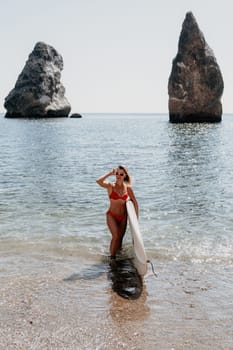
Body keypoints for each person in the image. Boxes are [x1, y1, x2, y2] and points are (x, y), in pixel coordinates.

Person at [96, 165, 139, 260]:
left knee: (120, 239)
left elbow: (135, 203)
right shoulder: (111, 186)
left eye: (121, 174)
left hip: (123, 217)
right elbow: (98, 181)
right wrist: (109, 173)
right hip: (111, 215)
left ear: (125, 176)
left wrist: (136, 219)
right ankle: (112, 258)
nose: (118, 175)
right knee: (115, 236)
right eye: (117, 173)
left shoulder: (128, 188)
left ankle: (119, 256)